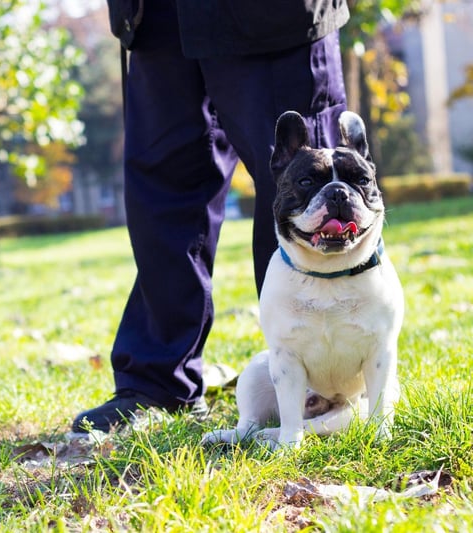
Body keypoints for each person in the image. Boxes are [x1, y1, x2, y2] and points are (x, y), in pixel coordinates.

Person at [72, 0, 350, 432]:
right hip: (157, 15)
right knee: (163, 191)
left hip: (276, 18)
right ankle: (158, 383)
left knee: (305, 185)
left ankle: (327, 385)